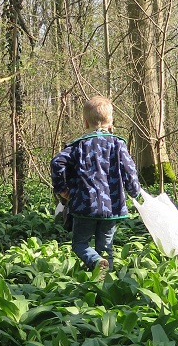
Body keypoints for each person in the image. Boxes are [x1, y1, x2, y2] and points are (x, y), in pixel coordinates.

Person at [51, 95, 141, 271]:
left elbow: (57, 162)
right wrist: (134, 192)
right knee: (106, 247)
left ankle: (95, 262)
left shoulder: (78, 145)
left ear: (85, 123)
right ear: (111, 123)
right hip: (112, 206)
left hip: (84, 205)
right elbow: (129, 169)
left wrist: (62, 189)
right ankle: (107, 280)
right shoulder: (118, 144)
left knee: (80, 244)